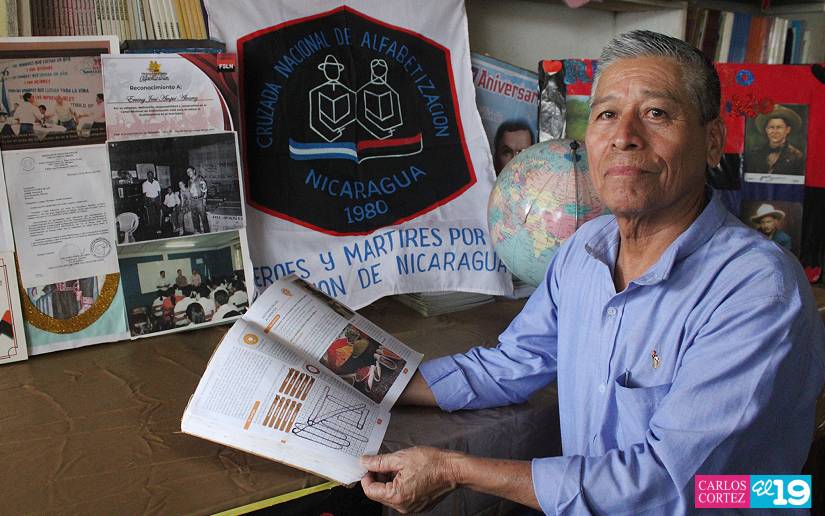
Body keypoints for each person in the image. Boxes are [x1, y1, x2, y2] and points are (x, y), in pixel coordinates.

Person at [359, 30, 825, 514]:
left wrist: (455, 470)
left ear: (712, 143)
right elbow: (514, 363)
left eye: (656, 113)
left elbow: (670, 487)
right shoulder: (585, 249)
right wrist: (369, 378)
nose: (624, 135)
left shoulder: (758, 290)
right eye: (606, 115)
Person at [745, 105, 805, 176]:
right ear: (766, 130)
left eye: (779, 127)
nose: (775, 131)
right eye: (771, 127)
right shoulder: (754, 154)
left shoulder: (797, 157)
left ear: (788, 130)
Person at [187, 166, 210, 233]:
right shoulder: (189, 181)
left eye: (190, 171)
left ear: (194, 171)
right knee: (194, 218)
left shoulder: (200, 178)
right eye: (187, 172)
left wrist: (204, 199)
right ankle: (197, 232)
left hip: (200, 200)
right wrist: (190, 201)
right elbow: (189, 191)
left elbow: (205, 189)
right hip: (192, 201)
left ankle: (206, 233)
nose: (188, 173)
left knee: (203, 218)